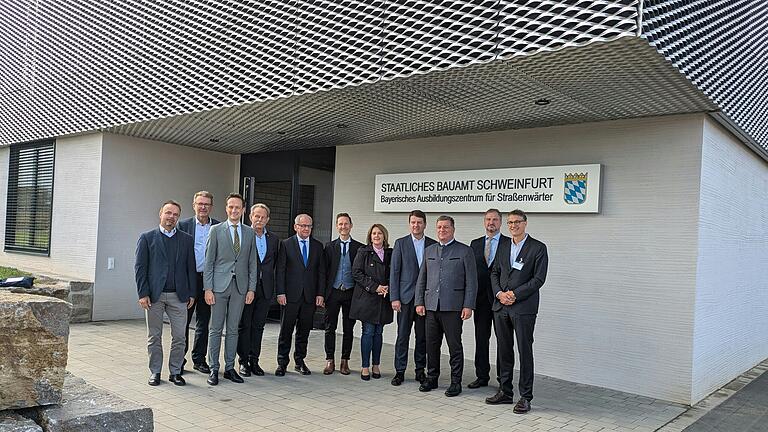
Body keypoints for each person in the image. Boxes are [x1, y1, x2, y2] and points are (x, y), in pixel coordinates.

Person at [487, 209, 548, 414]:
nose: (513, 225)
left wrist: (514, 294)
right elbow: (494, 272)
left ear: (525, 223)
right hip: (501, 306)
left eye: (517, 222)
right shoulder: (504, 245)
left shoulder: (538, 248)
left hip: (523, 308)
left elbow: (538, 279)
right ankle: (505, 391)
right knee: (503, 350)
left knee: (524, 350)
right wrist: (499, 294)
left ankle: (525, 396)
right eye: (510, 222)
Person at [135, 200, 196, 387]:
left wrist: (192, 293)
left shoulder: (186, 239)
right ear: (160, 214)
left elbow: (190, 268)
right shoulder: (147, 238)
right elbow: (140, 267)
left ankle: (176, 371)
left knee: (180, 337)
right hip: (155, 296)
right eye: (168, 213)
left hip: (179, 296)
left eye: (175, 214)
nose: (171, 217)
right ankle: (155, 372)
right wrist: (143, 293)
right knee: (154, 336)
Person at [415, 215, 477, 397]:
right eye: (439, 227)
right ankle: (432, 378)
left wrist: (468, 305)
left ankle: (455, 382)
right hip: (432, 307)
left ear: (453, 229)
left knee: (454, 346)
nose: (442, 230)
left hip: (453, 307)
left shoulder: (465, 251)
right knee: (431, 345)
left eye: (446, 227)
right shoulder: (429, 251)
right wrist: (419, 301)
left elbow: (472, 282)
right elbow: (422, 279)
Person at [203, 193, 258, 385]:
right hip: (218, 287)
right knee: (215, 328)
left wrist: (251, 289)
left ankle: (229, 368)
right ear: (226, 208)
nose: (234, 210)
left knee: (233, 329)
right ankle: (213, 368)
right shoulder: (216, 230)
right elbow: (208, 262)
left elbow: (252, 263)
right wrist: (207, 288)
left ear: (243, 210)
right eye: (231, 207)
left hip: (240, 287)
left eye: (238, 207)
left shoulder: (250, 232)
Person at [275, 213, 326, 376]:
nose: (306, 229)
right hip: (290, 296)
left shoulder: (318, 246)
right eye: (302, 225)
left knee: (304, 330)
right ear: (295, 227)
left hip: (309, 296)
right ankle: (282, 362)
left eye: (309, 226)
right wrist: (280, 292)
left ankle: (299, 361)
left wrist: (320, 293)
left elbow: (321, 272)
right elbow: (280, 270)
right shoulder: (286, 244)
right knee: (286, 330)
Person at [389, 210, 436, 386]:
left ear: (425, 224)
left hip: (424, 299)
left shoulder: (433, 244)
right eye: (413, 222)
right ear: (409, 224)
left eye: (419, 222)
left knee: (422, 337)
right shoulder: (400, 243)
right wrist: (395, 298)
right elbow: (394, 272)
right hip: (405, 298)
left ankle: (419, 370)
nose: (416, 225)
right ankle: (399, 371)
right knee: (402, 336)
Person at [177, 191, 219, 375]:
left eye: (207, 204)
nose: (203, 207)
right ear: (194, 205)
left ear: (211, 207)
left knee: (204, 321)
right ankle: (179, 360)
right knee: (183, 321)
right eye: (200, 203)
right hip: (188, 279)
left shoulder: (218, 227)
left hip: (209, 280)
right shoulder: (183, 225)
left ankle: (199, 359)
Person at [237, 203, 280, 377]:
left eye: (263, 217)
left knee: (258, 326)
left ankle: (255, 360)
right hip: (247, 288)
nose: (259, 220)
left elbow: (275, 264)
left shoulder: (274, 240)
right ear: (250, 217)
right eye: (257, 216)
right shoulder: (243, 236)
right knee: (245, 325)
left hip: (265, 289)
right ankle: (243, 361)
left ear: (267, 219)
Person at [468, 209, 510, 389]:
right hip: (481, 300)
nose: (491, 222)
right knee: (481, 338)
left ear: (500, 222)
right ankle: (482, 376)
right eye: (488, 219)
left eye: (495, 219)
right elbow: (470, 274)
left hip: (501, 300)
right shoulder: (475, 244)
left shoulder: (509, 243)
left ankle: (504, 379)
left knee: (504, 341)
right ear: (484, 222)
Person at [350, 224, 393, 380]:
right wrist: (375, 287)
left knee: (379, 333)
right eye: (374, 233)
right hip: (367, 299)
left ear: (384, 236)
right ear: (370, 236)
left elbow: (394, 272)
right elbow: (356, 273)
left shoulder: (390, 253)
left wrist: (387, 286)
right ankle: (365, 366)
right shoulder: (363, 252)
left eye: (379, 233)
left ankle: (376, 365)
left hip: (383, 299)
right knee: (368, 332)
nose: (376, 236)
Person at [322, 213, 363, 375]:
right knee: (329, 327)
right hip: (333, 292)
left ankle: (345, 361)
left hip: (351, 293)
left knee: (348, 329)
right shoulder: (329, 247)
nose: (343, 226)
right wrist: (322, 294)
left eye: (346, 224)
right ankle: (329, 360)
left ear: (351, 226)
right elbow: (324, 272)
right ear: (337, 226)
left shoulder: (358, 247)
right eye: (340, 224)